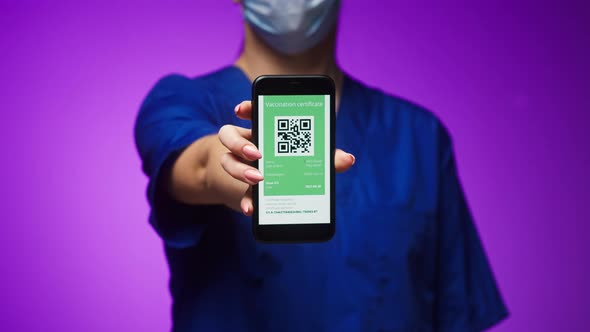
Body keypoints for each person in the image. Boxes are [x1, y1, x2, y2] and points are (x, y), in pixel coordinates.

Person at [134, 0, 508, 331]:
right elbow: (199, 167)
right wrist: (240, 170)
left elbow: (454, 310)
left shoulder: (418, 137)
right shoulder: (181, 103)